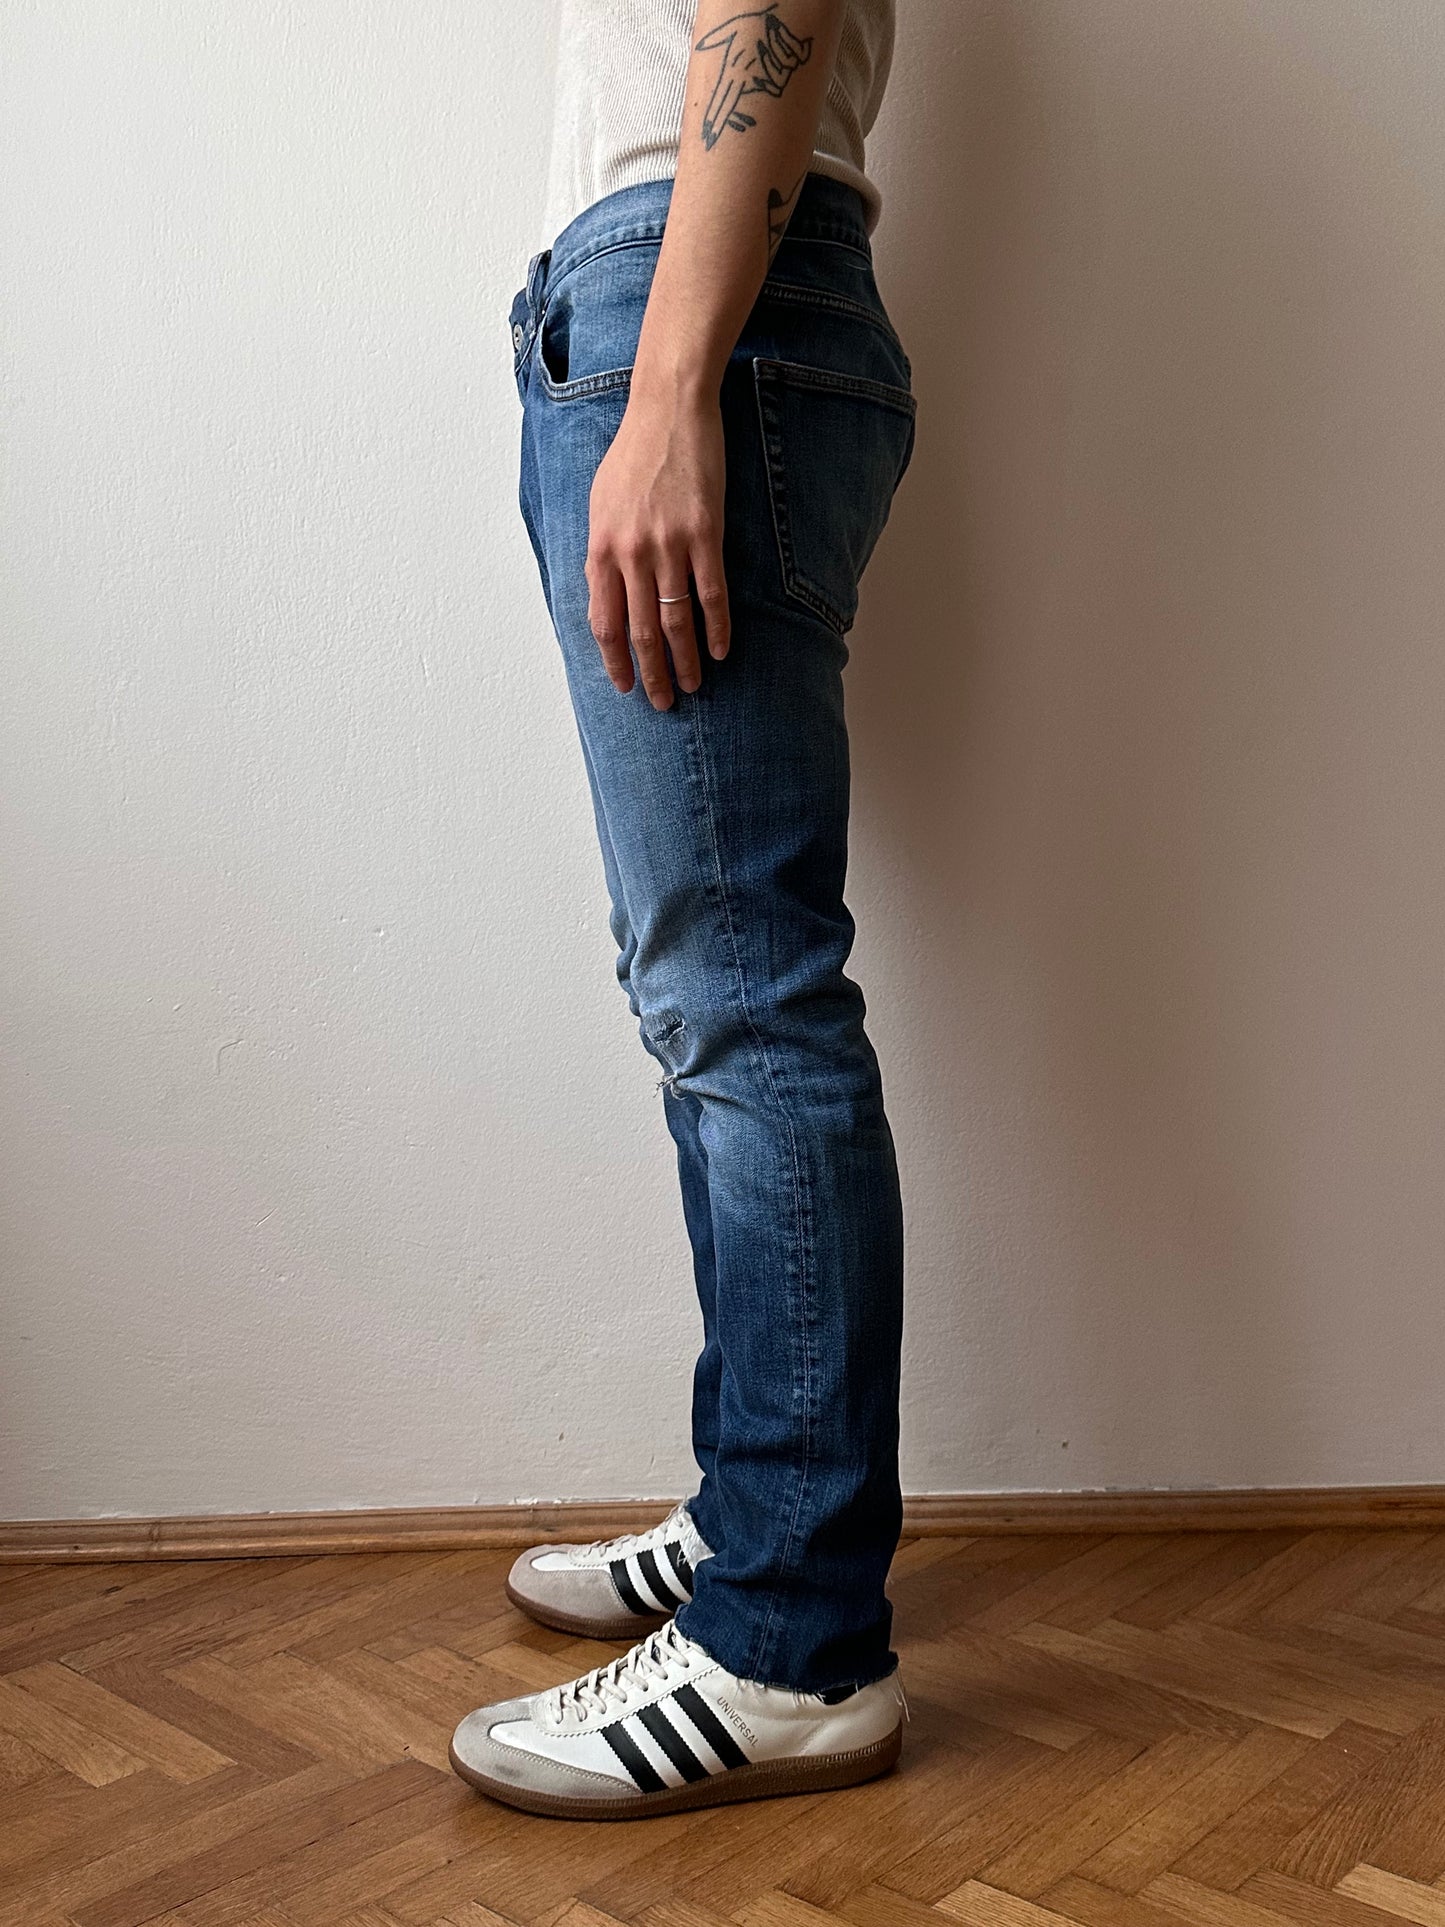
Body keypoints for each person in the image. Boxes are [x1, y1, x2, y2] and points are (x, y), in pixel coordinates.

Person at [450, 0, 913, 1819]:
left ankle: (791, 1642)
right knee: (702, 995)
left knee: (744, 998)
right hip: (671, 303)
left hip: (697, 311)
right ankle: (756, 1516)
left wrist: (663, 392)